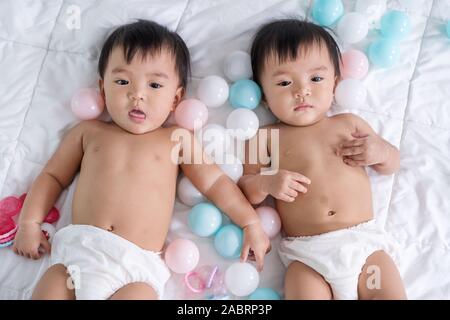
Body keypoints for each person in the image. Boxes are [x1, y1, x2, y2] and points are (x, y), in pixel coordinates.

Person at [12, 20, 270, 300]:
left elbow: (215, 182)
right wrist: (29, 224)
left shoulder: (176, 139)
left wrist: (250, 223)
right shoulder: (89, 133)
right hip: (77, 254)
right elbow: (52, 176)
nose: (137, 94)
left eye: (155, 84)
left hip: (135, 269)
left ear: (176, 98)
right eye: (122, 81)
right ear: (102, 88)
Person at [238, 19, 406, 300]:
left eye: (316, 79)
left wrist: (381, 151)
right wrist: (267, 183)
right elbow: (246, 189)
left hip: (363, 247)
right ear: (264, 97)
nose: (301, 90)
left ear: (335, 83)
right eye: (284, 82)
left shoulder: (348, 123)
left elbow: (392, 164)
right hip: (307, 257)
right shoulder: (264, 137)